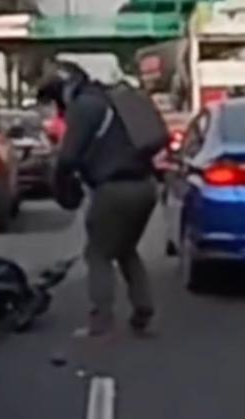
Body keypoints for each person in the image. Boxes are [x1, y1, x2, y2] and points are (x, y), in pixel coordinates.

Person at [37, 61, 163, 338]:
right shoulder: (112, 102)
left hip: (114, 189)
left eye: (56, 97)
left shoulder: (85, 107)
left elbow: (68, 157)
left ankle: (101, 320)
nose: (58, 106)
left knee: (98, 253)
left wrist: (61, 187)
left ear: (66, 88)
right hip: (145, 186)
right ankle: (143, 308)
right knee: (125, 249)